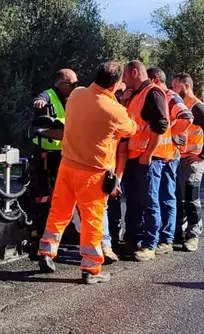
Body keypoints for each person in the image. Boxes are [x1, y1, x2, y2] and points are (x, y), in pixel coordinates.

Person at [37, 62, 136, 284]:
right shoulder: (114, 110)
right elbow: (131, 128)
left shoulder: (77, 94)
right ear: (115, 85)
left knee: (59, 212)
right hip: (93, 173)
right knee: (92, 220)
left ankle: (46, 252)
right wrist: (119, 99)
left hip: (67, 166)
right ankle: (91, 269)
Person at [29, 69, 118, 262]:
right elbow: (41, 99)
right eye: (72, 84)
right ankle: (92, 258)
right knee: (76, 207)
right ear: (62, 84)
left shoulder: (77, 96)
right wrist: (40, 104)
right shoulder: (53, 95)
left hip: (68, 156)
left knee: (63, 207)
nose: (76, 87)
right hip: (57, 155)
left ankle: (52, 249)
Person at [120, 62, 192, 261]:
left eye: (125, 76)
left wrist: (148, 154)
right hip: (135, 157)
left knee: (151, 201)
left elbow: (161, 125)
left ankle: (150, 244)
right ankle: (134, 240)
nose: (123, 80)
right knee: (134, 202)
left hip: (149, 158)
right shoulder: (135, 95)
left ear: (135, 72)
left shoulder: (154, 93)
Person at [171, 73, 204, 252]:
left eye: (176, 86)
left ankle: (193, 234)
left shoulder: (196, 106)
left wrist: (203, 155)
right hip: (179, 159)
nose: (173, 89)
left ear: (186, 86)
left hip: (192, 161)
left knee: (191, 198)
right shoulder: (180, 106)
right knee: (179, 198)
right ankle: (178, 232)